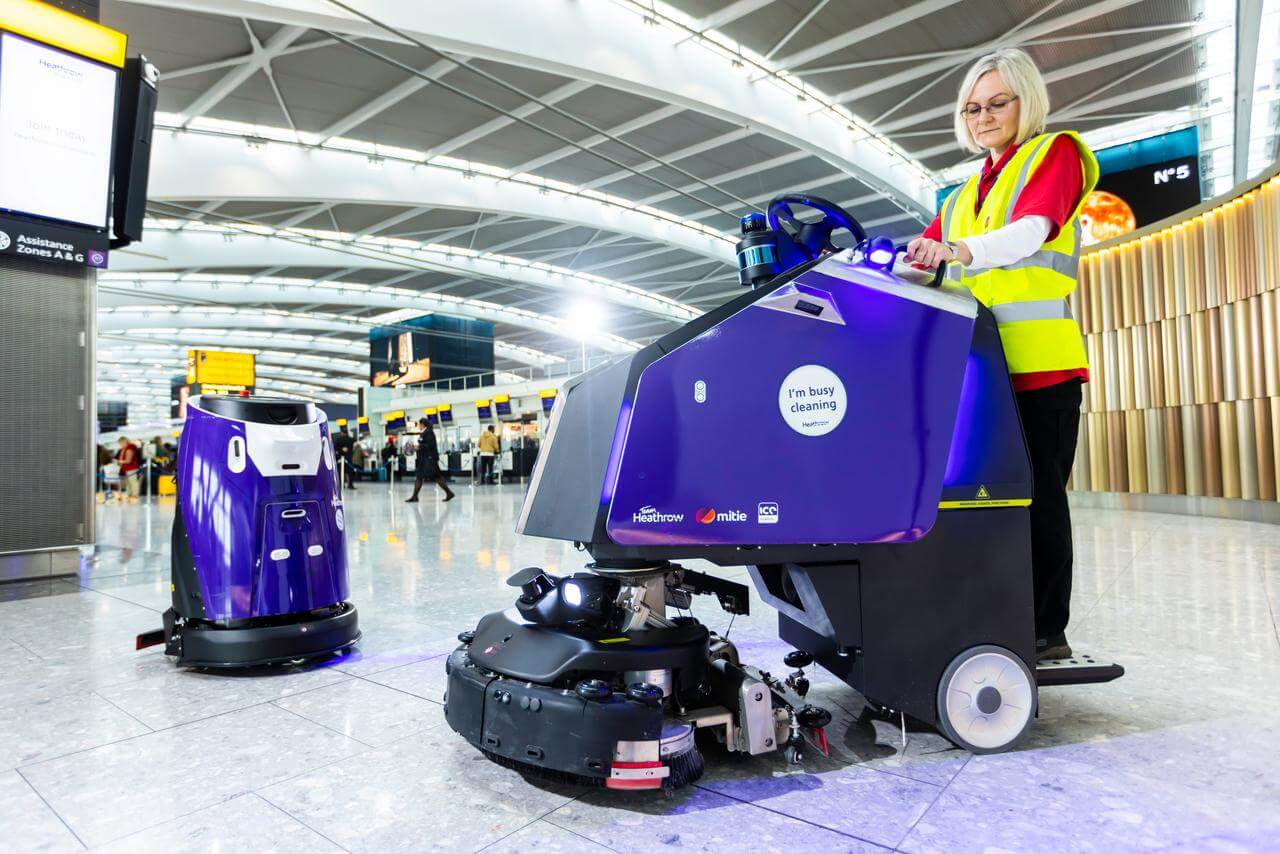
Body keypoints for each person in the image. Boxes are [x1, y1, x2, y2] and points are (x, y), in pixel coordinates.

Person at [906, 48, 1097, 663]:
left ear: (1025, 102)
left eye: (996, 103)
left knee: (1038, 495)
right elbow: (924, 262)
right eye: (971, 107)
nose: (983, 116)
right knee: (979, 495)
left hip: (1040, 364)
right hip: (979, 371)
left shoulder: (1054, 153)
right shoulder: (961, 194)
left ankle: (1045, 631)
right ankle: (989, 611)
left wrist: (958, 251)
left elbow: (1033, 230)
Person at [406, 418, 455, 503]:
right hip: (423, 460)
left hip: (429, 459)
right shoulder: (424, 433)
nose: (419, 426)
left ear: (422, 424)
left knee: (437, 476)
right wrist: (418, 446)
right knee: (419, 477)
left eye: (419, 425)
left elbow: (430, 445)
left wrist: (419, 446)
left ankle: (449, 492)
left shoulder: (429, 432)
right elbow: (424, 444)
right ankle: (414, 496)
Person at [332, 425, 357, 490]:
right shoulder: (350, 439)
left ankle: (340, 485)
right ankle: (350, 485)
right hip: (349, 458)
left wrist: (341, 450)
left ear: (341, 433)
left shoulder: (338, 440)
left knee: (340, 473)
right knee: (350, 473)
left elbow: (335, 448)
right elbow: (355, 439)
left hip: (340, 458)